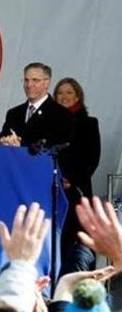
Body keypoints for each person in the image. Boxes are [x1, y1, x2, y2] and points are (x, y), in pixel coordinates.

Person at [54, 77, 101, 275]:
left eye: (69, 92)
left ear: (78, 96)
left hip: (76, 190)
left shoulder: (89, 123)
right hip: (51, 189)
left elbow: (92, 158)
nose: (64, 97)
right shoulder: (47, 123)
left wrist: (70, 180)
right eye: (60, 93)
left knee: (77, 240)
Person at [0, 62, 73, 151]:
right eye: (26, 80)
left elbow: (59, 146)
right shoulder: (14, 113)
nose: (29, 85)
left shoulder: (62, 114)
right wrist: (4, 141)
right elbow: (1, 137)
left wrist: (21, 143)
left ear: (47, 83)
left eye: (35, 80)